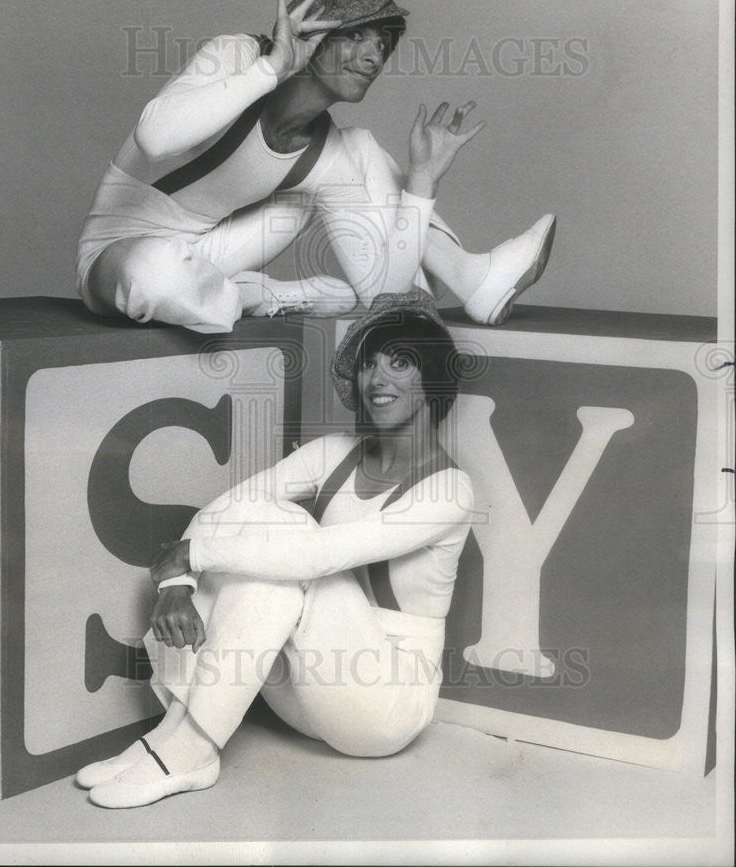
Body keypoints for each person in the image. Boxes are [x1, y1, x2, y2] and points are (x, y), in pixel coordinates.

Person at [75, 289, 476, 807]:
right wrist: (177, 583)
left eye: (401, 363)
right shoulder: (333, 453)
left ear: (434, 379)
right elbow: (225, 508)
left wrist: (193, 557)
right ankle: (176, 735)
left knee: (283, 539)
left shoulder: (450, 490)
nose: (377, 379)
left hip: (385, 703)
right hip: (304, 691)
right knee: (259, 526)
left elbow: (318, 557)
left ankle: (191, 747)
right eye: (369, 363)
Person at [76, 0, 556, 332]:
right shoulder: (237, 56)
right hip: (118, 253)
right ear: (311, 31)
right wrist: (273, 67)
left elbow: (384, 298)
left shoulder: (326, 158)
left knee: (359, 148)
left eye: (383, 44)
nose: (374, 55)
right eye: (356, 35)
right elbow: (155, 140)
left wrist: (422, 184)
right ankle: (255, 296)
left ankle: (471, 277)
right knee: (153, 275)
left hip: (212, 251)